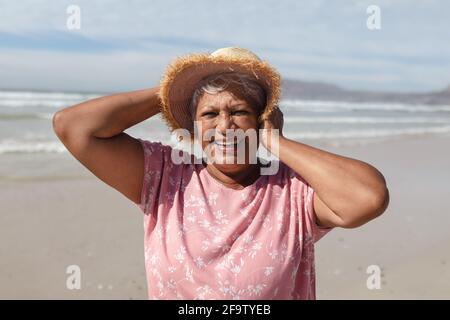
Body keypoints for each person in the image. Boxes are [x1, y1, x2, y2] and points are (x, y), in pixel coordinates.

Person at [53, 47, 389, 300]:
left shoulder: (292, 191)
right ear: (195, 126)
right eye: (209, 113)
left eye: (240, 111)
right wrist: (173, 91)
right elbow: (73, 127)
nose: (224, 126)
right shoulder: (166, 177)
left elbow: (368, 197)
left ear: (262, 120)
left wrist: (276, 141)